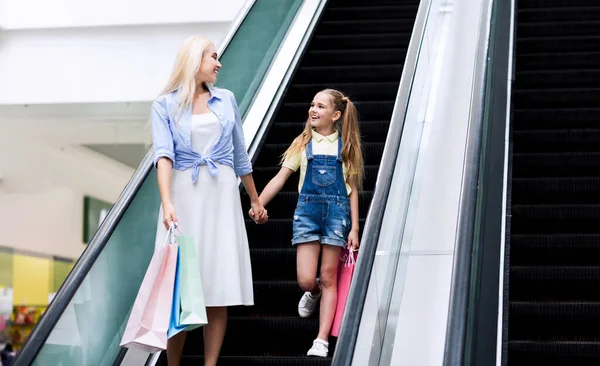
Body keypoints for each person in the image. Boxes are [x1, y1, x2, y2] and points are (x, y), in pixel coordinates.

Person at [151, 35, 267, 366]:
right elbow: (163, 157)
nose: (219, 63)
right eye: (213, 57)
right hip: (184, 197)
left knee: (219, 283)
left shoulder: (226, 99)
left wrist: (255, 200)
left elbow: (239, 154)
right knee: (181, 287)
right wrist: (167, 202)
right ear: (194, 61)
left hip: (221, 197)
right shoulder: (164, 105)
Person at [250, 89, 363, 357]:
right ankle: (312, 293)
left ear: (335, 115)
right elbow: (281, 177)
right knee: (305, 279)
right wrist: (259, 203)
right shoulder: (302, 143)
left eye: (321, 107)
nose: (313, 110)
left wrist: (355, 228)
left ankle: (321, 339)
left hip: (337, 215)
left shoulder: (345, 147)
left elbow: (353, 189)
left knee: (328, 276)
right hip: (307, 215)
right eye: (312, 104)